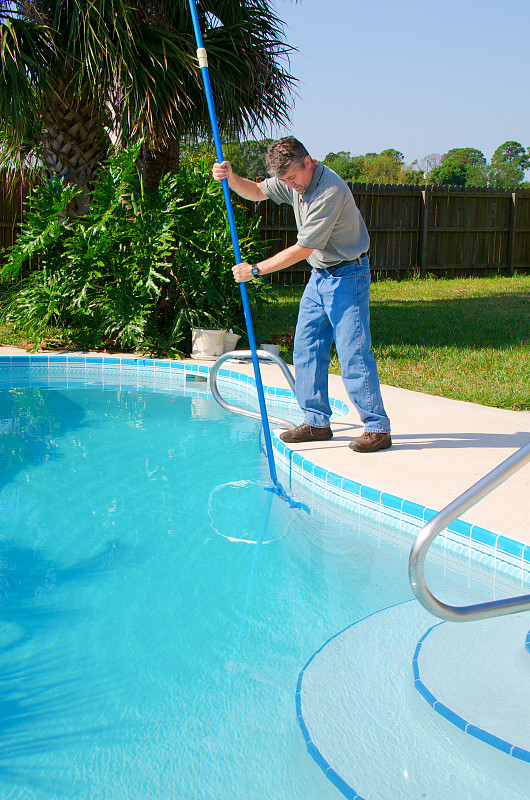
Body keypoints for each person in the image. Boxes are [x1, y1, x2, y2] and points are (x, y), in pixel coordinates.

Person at [212, 136, 391, 453]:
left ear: (308, 161)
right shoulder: (295, 181)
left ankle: (377, 427)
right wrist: (230, 176)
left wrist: (255, 270)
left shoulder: (329, 191)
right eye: (285, 180)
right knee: (306, 349)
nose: (290, 185)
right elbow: (256, 191)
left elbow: (303, 248)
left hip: (349, 275)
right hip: (319, 276)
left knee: (353, 353)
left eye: (293, 177)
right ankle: (317, 422)